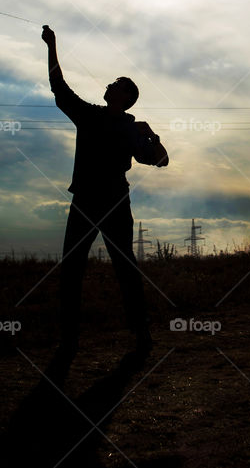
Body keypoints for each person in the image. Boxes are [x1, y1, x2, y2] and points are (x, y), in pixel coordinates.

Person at [42, 25, 168, 360]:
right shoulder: (89, 115)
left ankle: (141, 334)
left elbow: (160, 161)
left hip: (112, 202)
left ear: (126, 97)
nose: (109, 85)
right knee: (73, 269)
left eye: (116, 84)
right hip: (85, 199)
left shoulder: (130, 127)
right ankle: (70, 341)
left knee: (123, 266)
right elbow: (58, 87)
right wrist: (52, 46)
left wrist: (152, 134)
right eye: (112, 83)